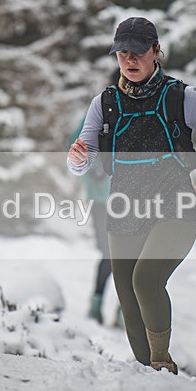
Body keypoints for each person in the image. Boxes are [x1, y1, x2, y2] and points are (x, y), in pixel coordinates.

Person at [67, 17, 196, 374]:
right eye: (122, 52)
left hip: (175, 204)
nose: (129, 59)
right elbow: (84, 159)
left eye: (138, 51)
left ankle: (161, 362)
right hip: (124, 204)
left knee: (145, 280)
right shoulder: (105, 103)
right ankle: (148, 374)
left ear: (156, 51)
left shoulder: (182, 96)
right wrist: (77, 158)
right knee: (127, 294)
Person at [68, 97, 122, 327]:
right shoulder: (97, 113)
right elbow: (75, 148)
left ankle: (125, 308)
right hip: (101, 198)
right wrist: (94, 168)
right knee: (109, 253)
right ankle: (97, 302)